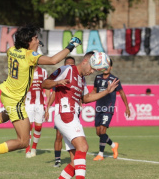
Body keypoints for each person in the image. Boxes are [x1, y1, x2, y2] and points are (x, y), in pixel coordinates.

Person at [0, 23, 82, 174]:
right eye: (36, 38)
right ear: (28, 42)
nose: (38, 41)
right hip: (16, 100)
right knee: (23, 141)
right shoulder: (30, 56)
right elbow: (52, 61)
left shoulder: (11, 50)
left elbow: (24, 55)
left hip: (6, 93)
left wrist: (33, 48)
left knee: (9, 114)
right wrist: (71, 46)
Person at [42, 51, 119, 179]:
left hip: (72, 116)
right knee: (83, 146)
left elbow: (86, 98)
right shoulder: (67, 69)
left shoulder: (81, 79)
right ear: (85, 62)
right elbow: (45, 83)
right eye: (92, 68)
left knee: (74, 162)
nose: (92, 72)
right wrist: (57, 82)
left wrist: (106, 92)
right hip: (66, 114)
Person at [92, 58, 130, 161]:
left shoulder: (114, 79)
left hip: (108, 107)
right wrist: (86, 99)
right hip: (99, 106)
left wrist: (127, 106)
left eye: (108, 66)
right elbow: (94, 90)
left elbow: (121, 92)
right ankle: (113, 145)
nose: (106, 68)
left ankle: (100, 154)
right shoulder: (98, 78)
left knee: (103, 130)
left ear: (111, 67)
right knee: (98, 132)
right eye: (104, 65)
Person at [45, 56, 76, 167]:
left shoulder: (78, 77)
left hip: (73, 110)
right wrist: (47, 108)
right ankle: (57, 160)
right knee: (59, 135)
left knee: (74, 136)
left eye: (71, 65)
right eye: (67, 64)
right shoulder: (59, 77)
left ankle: (75, 160)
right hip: (61, 110)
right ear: (64, 65)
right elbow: (53, 94)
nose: (69, 67)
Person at [25, 66, 50, 158]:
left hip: (40, 103)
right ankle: (27, 149)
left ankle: (34, 148)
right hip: (28, 103)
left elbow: (47, 87)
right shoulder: (25, 70)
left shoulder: (43, 72)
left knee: (38, 127)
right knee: (28, 126)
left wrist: (47, 103)